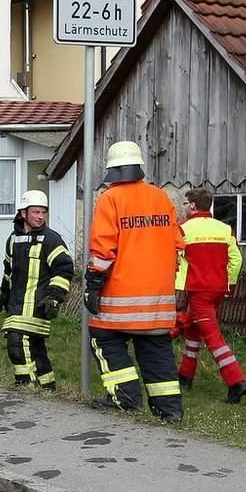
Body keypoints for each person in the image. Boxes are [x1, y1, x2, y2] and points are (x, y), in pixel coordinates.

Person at [84, 141, 185, 421]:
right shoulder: (162, 198)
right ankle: (170, 411)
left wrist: (92, 285)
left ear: (111, 170)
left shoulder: (110, 199)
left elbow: (103, 251)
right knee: (157, 352)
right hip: (159, 303)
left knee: (103, 338)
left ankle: (125, 398)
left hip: (119, 302)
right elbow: (178, 244)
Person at [175, 188, 246, 403]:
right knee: (192, 330)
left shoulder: (183, 230)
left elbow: (176, 259)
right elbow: (236, 260)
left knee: (213, 337)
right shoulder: (225, 229)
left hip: (197, 291)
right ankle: (185, 376)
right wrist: (228, 282)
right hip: (218, 289)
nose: (184, 207)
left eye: (185, 204)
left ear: (193, 206)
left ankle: (236, 382)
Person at [0, 189, 74, 390]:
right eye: (35, 212)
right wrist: (4, 294)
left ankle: (26, 386)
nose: (40, 217)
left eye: (43, 212)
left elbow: (64, 268)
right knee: (35, 347)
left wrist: (54, 297)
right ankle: (47, 387)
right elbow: (9, 270)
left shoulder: (51, 239)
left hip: (39, 304)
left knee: (17, 341)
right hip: (16, 303)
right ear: (24, 213)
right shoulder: (13, 239)